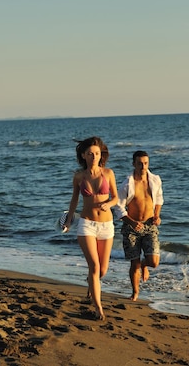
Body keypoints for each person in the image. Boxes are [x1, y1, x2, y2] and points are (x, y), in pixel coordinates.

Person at [61, 137, 118, 321]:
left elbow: (116, 198)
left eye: (97, 153)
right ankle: (98, 308)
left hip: (106, 226)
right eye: (90, 154)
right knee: (94, 266)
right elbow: (74, 200)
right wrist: (69, 220)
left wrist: (108, 204)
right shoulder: (79, 176)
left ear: (101, 155)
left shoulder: (108, 173)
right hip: (87, 225)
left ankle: (91, 283)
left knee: (102, 270)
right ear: (84, 156)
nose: (94, 156)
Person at [114, 150, 164, 302]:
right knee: (134, 262)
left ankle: (145, 265)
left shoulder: (155, 180)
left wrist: (157, 215)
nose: (143, 166)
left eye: (146, 163)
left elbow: (159, 199)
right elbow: (118, 206)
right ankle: (135, 292)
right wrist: (131, 222)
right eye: (140, 164)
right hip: (131, 227)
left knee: (154, 262)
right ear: (133, 164)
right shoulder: (127, 184)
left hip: (150, 225)